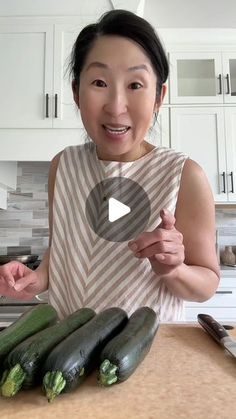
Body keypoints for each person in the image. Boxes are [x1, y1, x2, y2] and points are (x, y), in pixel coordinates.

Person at [0, 10, 219, 321]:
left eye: (135, 85)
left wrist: (174, 270)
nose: (116, 106)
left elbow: (206, 284)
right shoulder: (63, 166)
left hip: (143, 356)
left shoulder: (184, 176)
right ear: (76, 92)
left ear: (159, 97)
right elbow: (60, 252)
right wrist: (36, 278)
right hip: (65, 351)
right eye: (100, 82)